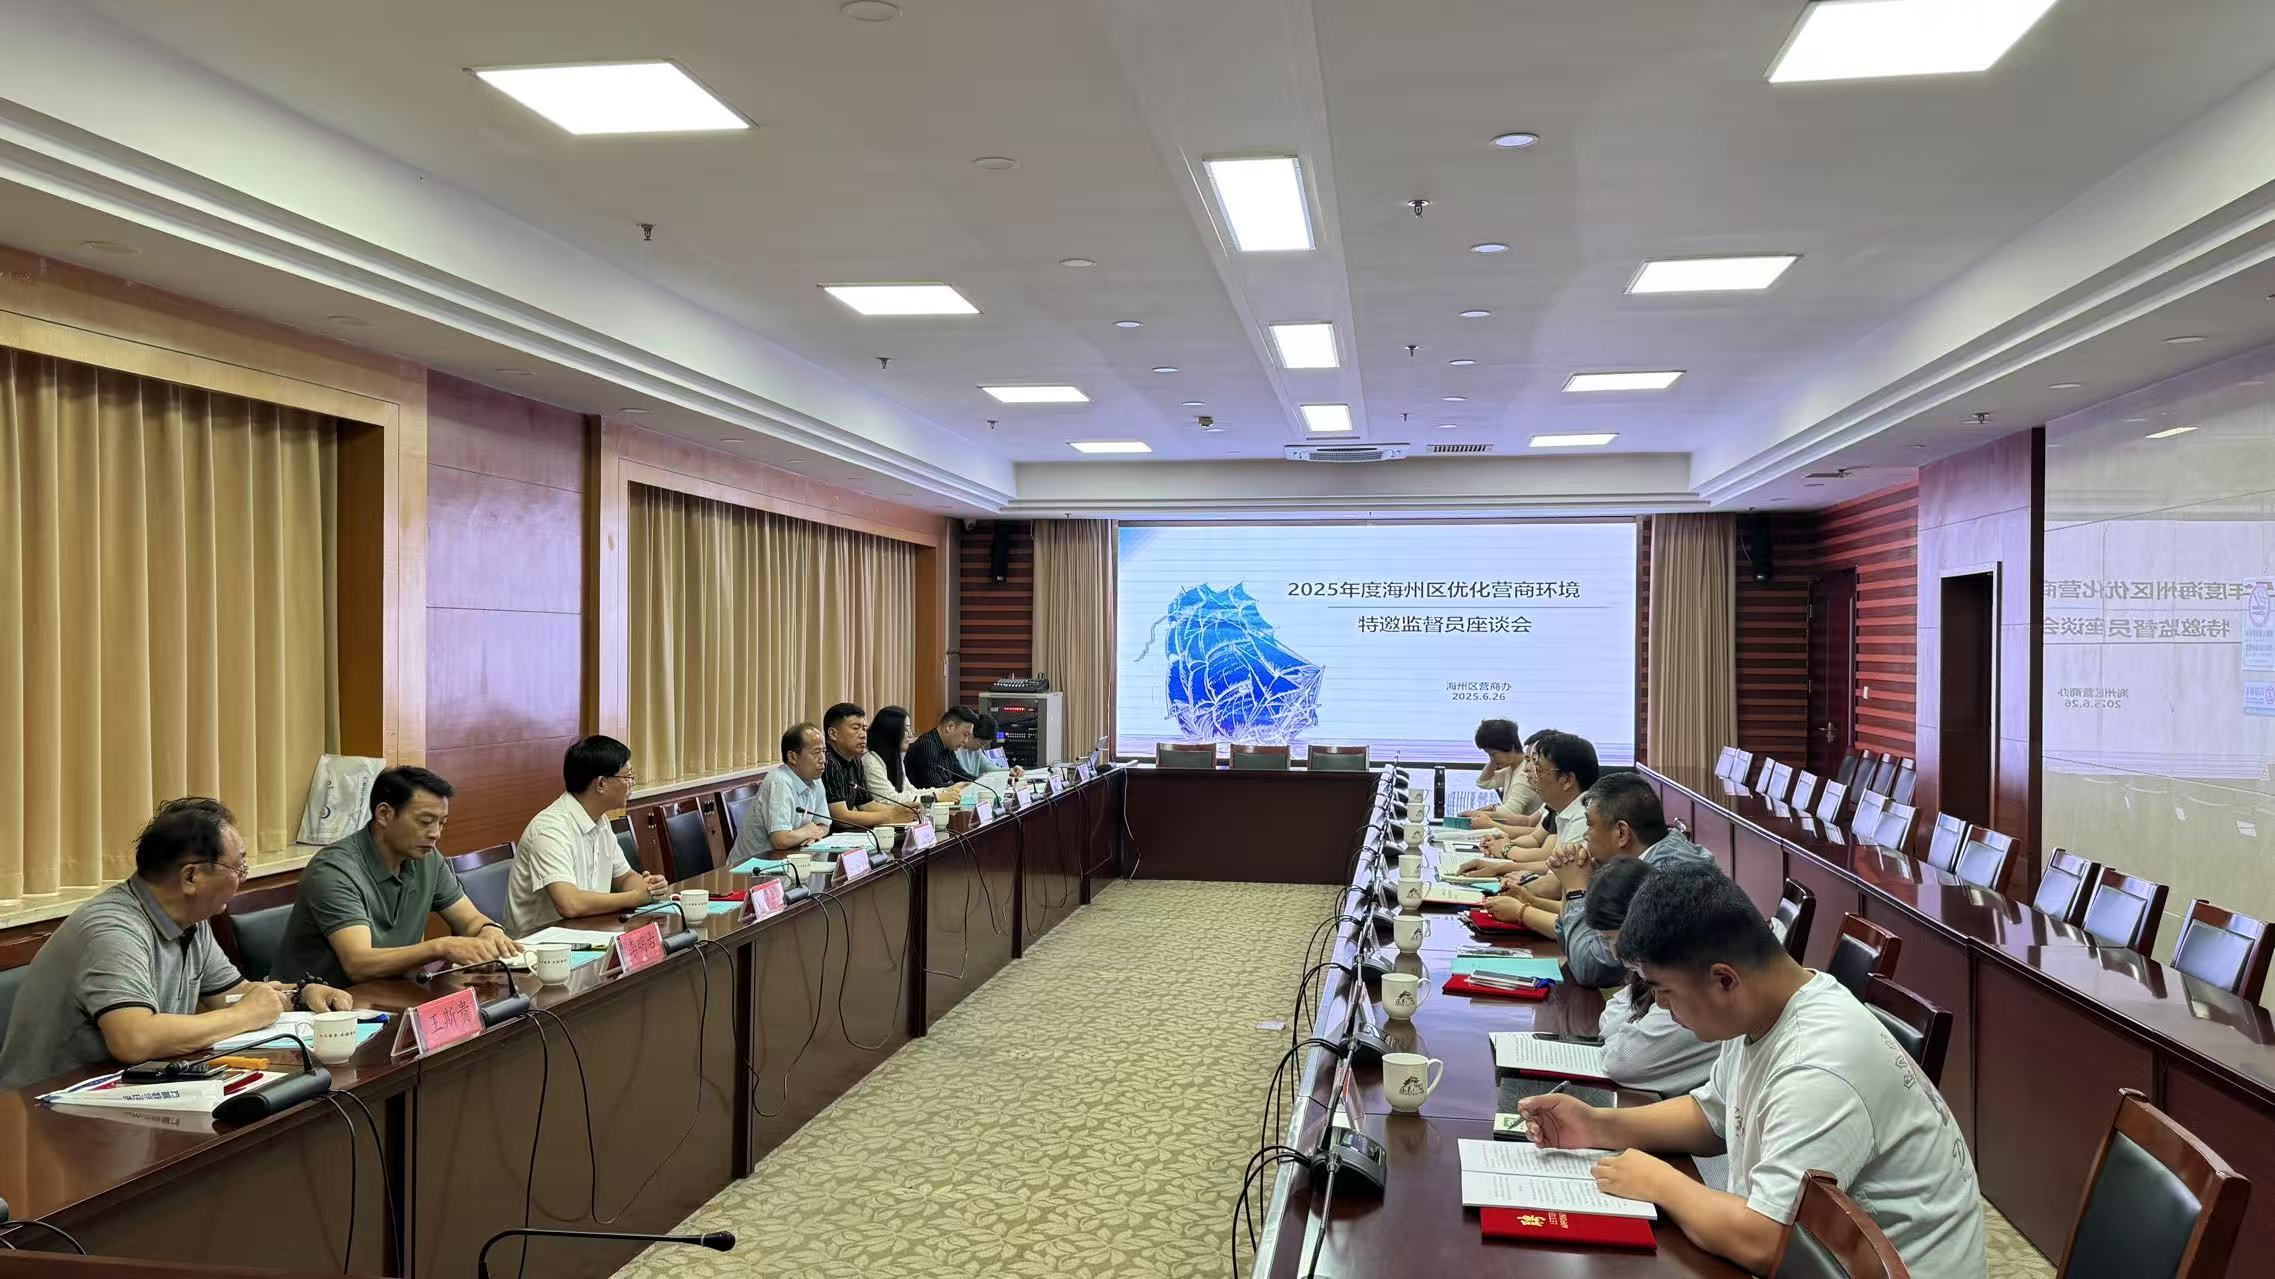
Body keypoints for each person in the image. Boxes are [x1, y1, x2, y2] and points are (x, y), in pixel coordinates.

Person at [1520, 864, 1984, 1276]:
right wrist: (1598, 1125)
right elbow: (1713, 1115)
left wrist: (1660, 1183)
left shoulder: (1817, 1065)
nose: (1660, 1006)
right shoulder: (1768, 1005)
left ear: (1725, 980)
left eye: (1664, 991)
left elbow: (1764, 1243)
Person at [0, 798, 352, 1086]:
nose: (243, 879)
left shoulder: (191, 920)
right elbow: (134, 1039)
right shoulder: (113, 930)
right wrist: (245, 1015)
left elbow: (233, 995)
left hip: (127, 1090)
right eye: (238, 867)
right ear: (191, 876)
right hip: (47, 1110)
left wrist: (300, 995)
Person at [272, 766, 520, 987]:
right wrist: (440, 947)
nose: (435, 833)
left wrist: (489, 931)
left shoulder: (427, 858)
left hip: (391, 993)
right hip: (316, 1009)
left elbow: (470, 920)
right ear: (384, 814)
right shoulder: (334, 870)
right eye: (425, 821)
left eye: (441, 823)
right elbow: (358, 964)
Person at [1486, 773, 1718, 972]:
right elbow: (1572, 937)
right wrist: (1567, 883)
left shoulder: (1661, 879)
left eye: (1590, 825)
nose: (1585, 836)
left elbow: (1591, 966)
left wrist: (1575, 888)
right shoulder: (1652, 854)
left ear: (1621, 833)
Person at [504, 736, 670, 936]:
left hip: (588, 933)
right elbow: (569, 904)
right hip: (539, 945)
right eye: (627, 777)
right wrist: (634, 897)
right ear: (601, 784)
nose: (632, 783)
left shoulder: (600, 820)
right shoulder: (550, 829)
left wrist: (649, 888)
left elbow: (624, 877)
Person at [1583, 858, 1717, 1095]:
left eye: (1614, 938)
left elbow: (1621, 1063)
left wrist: (1623, 1036)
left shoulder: (1693, 979)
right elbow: (1613, 1011)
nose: (1615, 953)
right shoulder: (1668, 963)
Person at [1455, 730, 1600, 884]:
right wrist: (1500, 864)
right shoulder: (1564, 811)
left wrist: (1505, 866)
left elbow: (1555, 884)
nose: (1533, 775)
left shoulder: (1583, 817)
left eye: (1539, 770)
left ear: (1567, 780)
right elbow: (1551, 868)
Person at [737, 723, 833, 859]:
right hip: (753, 865)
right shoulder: (779, 781)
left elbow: (824, 824)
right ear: (793, 757)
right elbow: (781, 840)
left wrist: (813, 833)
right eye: (816, 752)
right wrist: (808, 830)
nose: (823, 759)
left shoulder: (815, 778)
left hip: (789, 858)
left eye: (824, 751)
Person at [822, 702, 919, 830]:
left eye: (864, 728)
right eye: (855, 728)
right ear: (833, 734)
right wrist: (891, 816)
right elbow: (841, 817)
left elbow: (867, 805)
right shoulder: (827, 762)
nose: (863, 735)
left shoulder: (855, 761)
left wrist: (903, 811)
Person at [862, 706, 964, 809]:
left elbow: (911, 791)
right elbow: (890, 799)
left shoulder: (896, 758)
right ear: (891, 731)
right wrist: (936, 797)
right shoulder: (871, 761)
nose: (910, 735)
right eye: (906, 729)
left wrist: (946, 791)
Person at [1459, 719, 1541, 828]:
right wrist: (1494, 760)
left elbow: (1509, 812)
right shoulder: (1511, 769)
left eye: (1493, 754)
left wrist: (1488, 810)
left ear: (1510, 747)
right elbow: (1483, 782)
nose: (1492, 759)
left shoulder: (1524, 773)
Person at [904, 706, 982, 789]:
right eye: (965, 735)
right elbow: (935, 787)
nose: (965, 741)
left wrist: (981, 782)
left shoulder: (948, 747)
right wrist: (962, 786)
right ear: (950, 727)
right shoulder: (926, 746)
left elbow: (960, 775)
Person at [956, 712, 1013, 777]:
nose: (982, 748)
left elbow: (989, 767)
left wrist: (1010, 771)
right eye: (981, 743)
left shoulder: (977, 751)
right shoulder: (956, 749)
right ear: (971, 733)